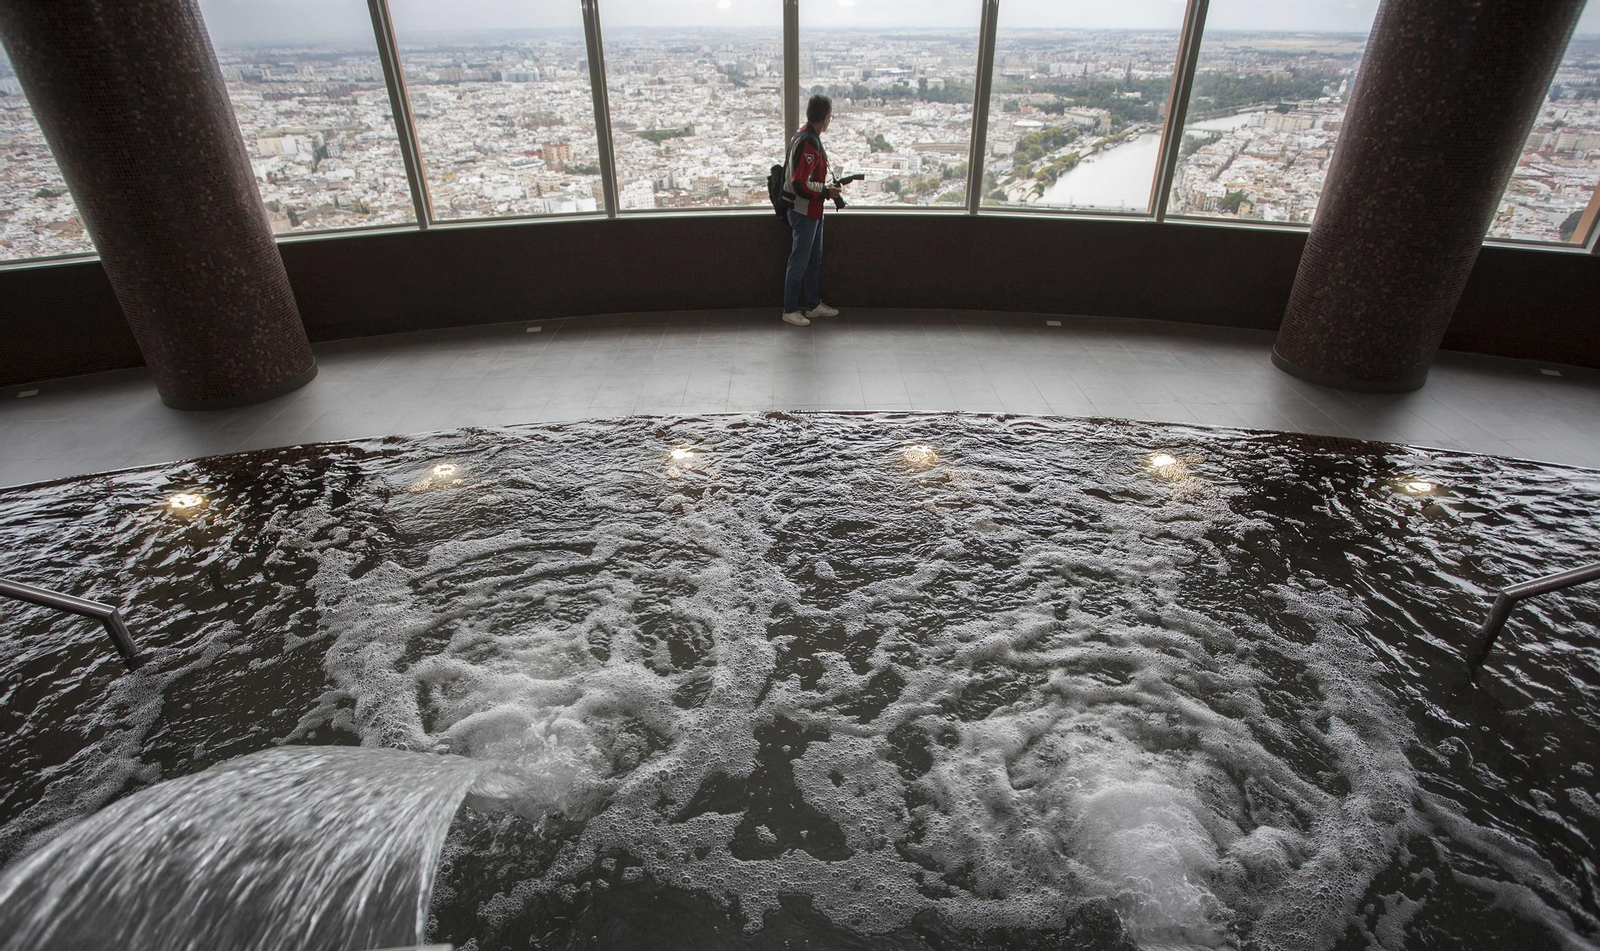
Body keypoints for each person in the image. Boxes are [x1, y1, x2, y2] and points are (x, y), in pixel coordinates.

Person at [779, 94, 847, 327]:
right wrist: (826, 191)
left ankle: (813, 303)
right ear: (826, 117)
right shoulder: (808, 142)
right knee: (799, 261)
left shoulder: (804, 135)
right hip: (804, 210)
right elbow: (801, 183)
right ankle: (789, 309)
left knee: (813, 259)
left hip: (813, 211)